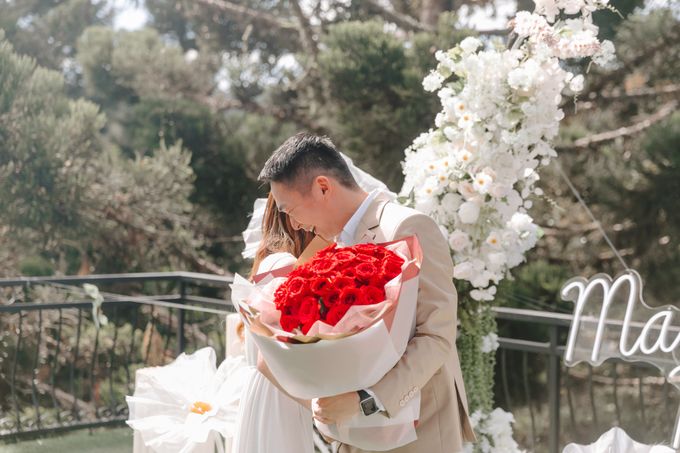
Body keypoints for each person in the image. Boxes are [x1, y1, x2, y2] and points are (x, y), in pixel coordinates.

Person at [257, 132, 476, 453]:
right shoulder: (332, 245)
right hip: (356, 433)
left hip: (419, 430)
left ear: (323, 187)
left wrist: (366, 401)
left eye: (290, 209)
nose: (294, 224)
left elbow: (437, 336)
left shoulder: (407, 227)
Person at [231, 192, 318, 453]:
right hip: (279, 396)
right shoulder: (287, 264)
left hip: (270, 394)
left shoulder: (272, 261)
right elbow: (273, 355)